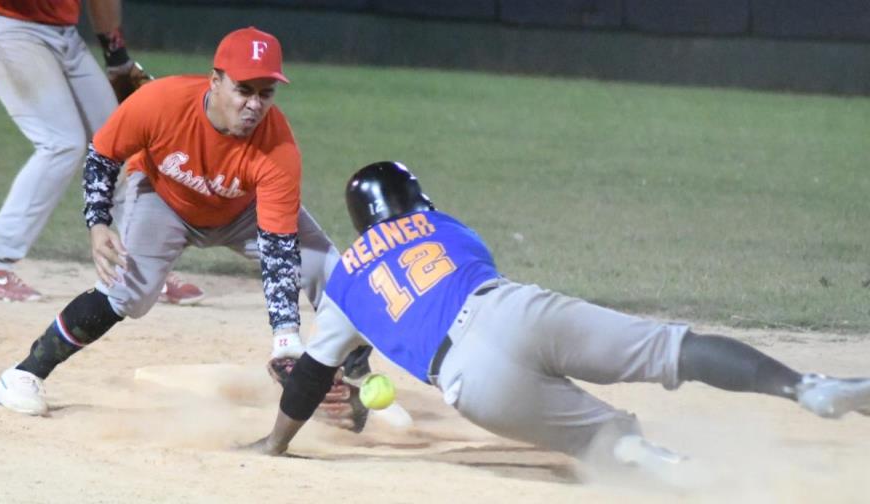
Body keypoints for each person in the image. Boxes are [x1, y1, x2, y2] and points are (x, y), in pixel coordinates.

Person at [251, 161, 870, 477]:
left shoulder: (347, 286)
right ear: (416, 203)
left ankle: (679, 471)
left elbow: (309, 377)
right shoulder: (448, 227)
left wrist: (275, 443)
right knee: (675, 350)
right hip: (517, 310)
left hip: (472, 379)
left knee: (606, 442)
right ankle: (809, 388)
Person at [0, 27, 370, 430]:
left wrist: (286, 340)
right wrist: (98, 222)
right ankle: (25, 373)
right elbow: (103, 156)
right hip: (162, 199)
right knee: (126, 294)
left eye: (266, 93)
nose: (254, 105)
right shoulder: (161, 103)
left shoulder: (279, 149)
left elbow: (279, 249)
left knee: (336, 273)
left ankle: (349, 385)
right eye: (243, 89)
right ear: (215, 81)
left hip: (244, 212)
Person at [0, 0, 203, 304]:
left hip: (67, 38)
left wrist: (117, 56)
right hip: (12, 32)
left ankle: (140, 267)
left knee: (119, 145)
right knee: (61, 143)